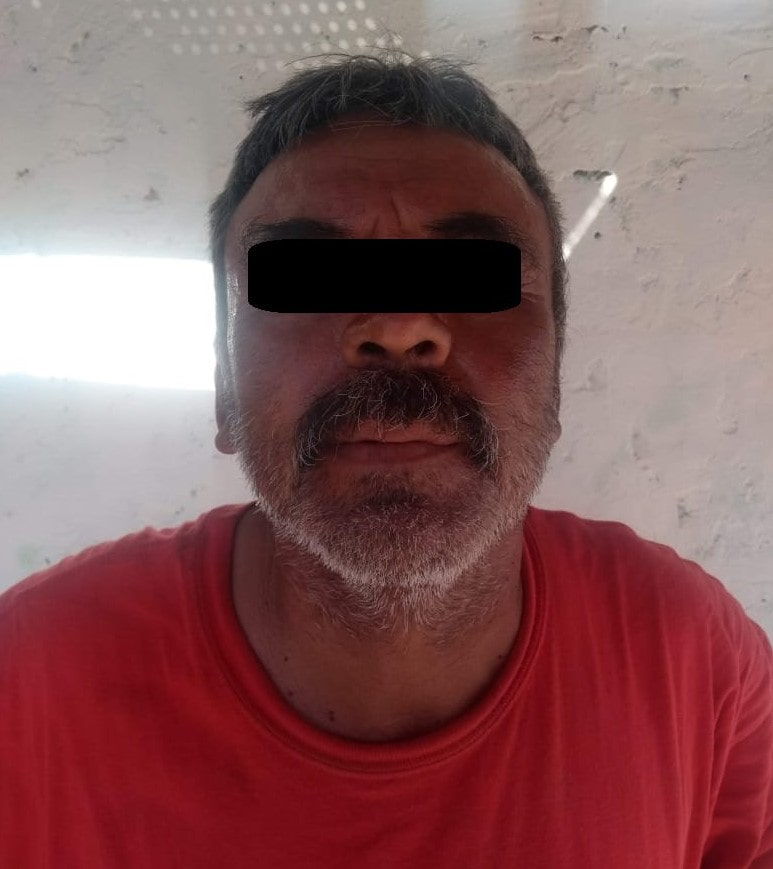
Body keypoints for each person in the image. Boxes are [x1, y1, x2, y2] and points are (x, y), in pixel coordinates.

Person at [1, 51, 771, 868]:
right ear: (224, 385)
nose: (399, 325)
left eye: (473, 276)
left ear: (552, 374)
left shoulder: (695, 657)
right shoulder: (29, 680)